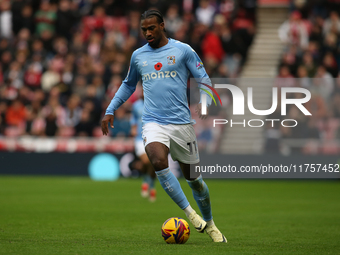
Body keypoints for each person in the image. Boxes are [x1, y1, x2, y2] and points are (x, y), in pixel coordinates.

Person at [101, 9, 226, 243]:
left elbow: (203, 78)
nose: (147, 33)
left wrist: (206, 102)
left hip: (181, 124)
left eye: (151, 28)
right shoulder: (138, 56)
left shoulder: (183, 50)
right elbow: (128, 85)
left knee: (195, 182)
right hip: (153, 122)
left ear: (162, 25)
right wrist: (110, 109)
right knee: (158, 161)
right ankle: (190, 214)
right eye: (144, 30)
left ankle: (210, 223)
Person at [130, 90, 157, 202]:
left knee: (155, 163)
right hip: (140, 139)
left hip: (153, 137)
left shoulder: (155, 104)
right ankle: (147, 182)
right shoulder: (136, 105)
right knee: (146, 161)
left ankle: (150, 185)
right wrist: (133, 127)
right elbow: (134, 118)